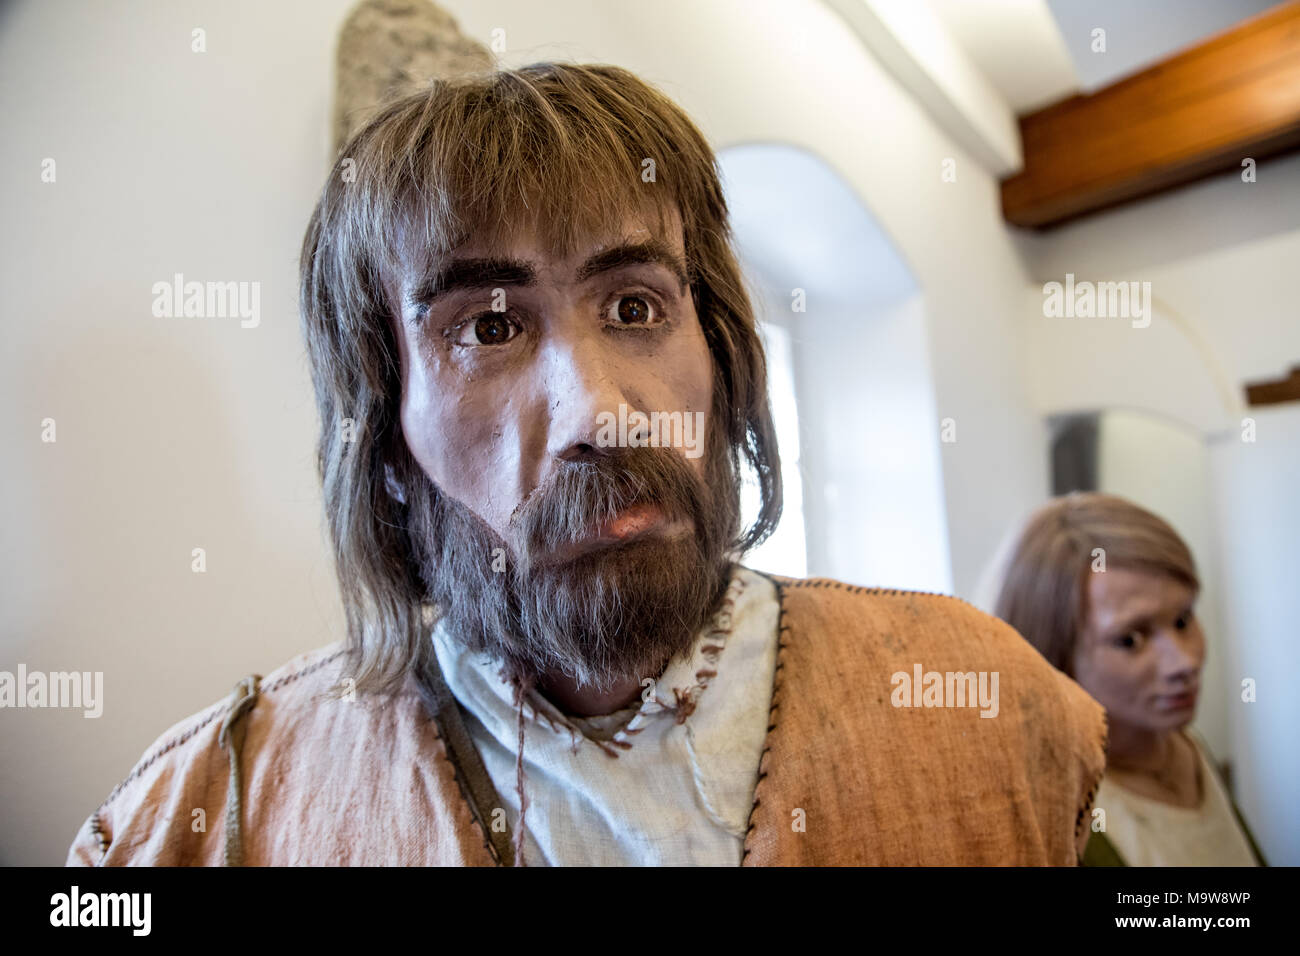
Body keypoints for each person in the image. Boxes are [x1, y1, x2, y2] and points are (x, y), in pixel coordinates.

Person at [67, 62, 1105, 867]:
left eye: (634, 307)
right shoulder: (210, 815)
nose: (600, 414)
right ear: (382, 435)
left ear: (726, 355)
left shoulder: (995, 714)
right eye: (485, 329)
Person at [994, 492, 1265, 866]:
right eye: (1130, 640)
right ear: (1053, 658)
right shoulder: (1055, 820)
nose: (1184, 662)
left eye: (1183, 619)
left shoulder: (1185, 746)